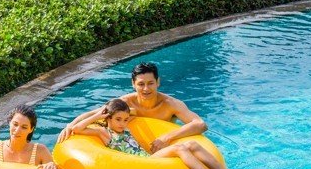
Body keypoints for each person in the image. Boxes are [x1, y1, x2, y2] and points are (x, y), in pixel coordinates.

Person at [72, 99, 253, 169]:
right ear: (108, 119)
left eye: (125, 119)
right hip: (140, 164)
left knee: (191, 144)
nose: (122, 123)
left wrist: (126, 116)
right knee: (180, 149)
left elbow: (135, 111)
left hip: (148, 157)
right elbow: (76, 129)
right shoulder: (104, 133)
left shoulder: (126, 127)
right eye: (117, 120)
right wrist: (98, 113)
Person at [57, 62, 206, 152]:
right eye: (141, 84)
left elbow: (200, 124)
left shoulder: (170, 104)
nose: (146, 89)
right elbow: (95, 113)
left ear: (158, 82)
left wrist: (166, 137)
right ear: (133, 84)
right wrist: (70, 125)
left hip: (164, 150)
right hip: (134, 151)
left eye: (150, 83)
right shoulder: (125, 103)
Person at [0, 104, 57, 169]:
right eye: (15, 124)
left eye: (24, 127)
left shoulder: (40, 151)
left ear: (31, 129)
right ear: (9, 123)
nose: (17, 130)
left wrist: (52, 165)